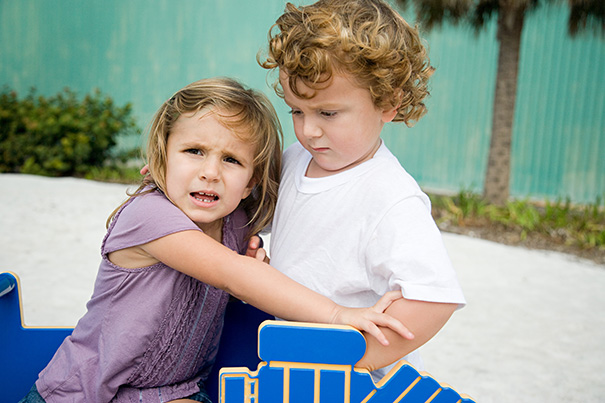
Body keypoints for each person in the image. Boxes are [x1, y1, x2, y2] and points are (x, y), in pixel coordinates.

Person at [19, 77, 411, 403]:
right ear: (162, 157)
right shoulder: (148, 215)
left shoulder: (234, 224)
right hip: (82, 393)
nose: (210, 172)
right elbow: (232, 274)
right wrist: (337, 315)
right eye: (194, 151)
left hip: (173, 392)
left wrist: (259, 269)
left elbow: (265, 255)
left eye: (231, 160)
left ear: (250, 181)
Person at [257, 0, 467, 381]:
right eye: (297, 111)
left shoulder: (390, 196)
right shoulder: (295, 160)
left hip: (360, 384)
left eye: (328, 113)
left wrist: (353, 359)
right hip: (297, 370)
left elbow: (433, 298)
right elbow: (253, 212)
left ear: (388, 102)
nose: (309, 131)